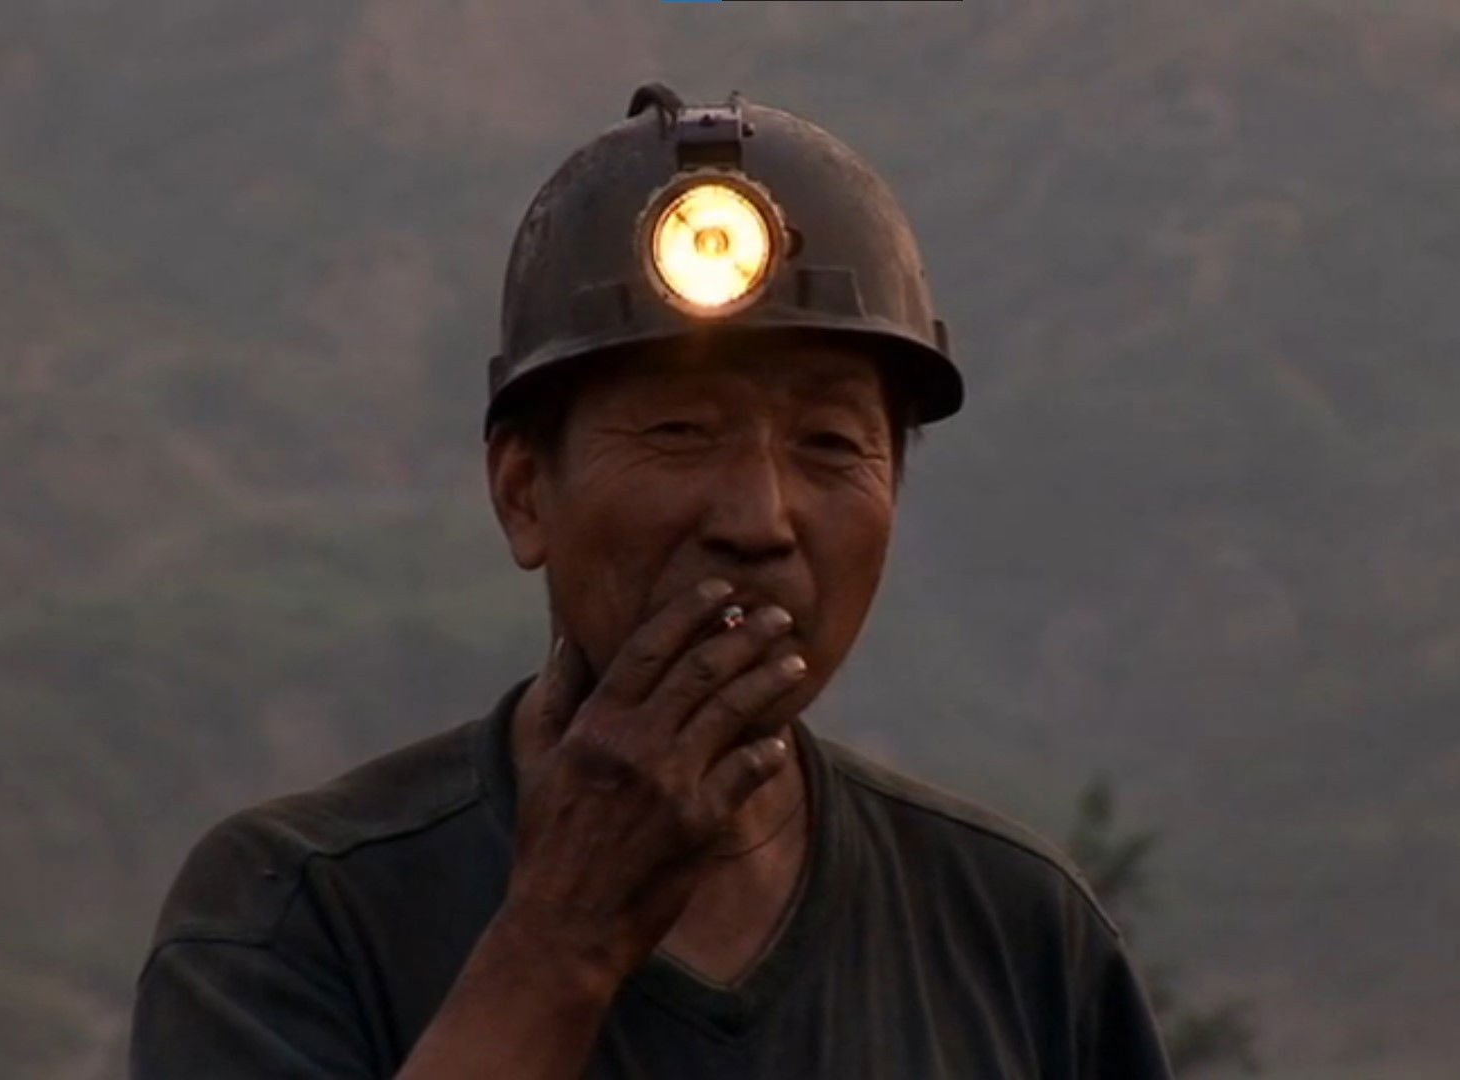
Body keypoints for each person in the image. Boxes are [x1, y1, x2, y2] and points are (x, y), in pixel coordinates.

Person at [130, 84, 1174, 1080]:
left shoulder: (1020, 936)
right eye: (680, 431)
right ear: (523, 492)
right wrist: (562, 938)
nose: (758, 520)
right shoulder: (294, 914)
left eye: (828, 442)